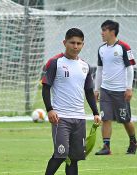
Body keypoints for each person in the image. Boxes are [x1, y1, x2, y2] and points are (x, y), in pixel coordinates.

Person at [41, 28, 101, 175]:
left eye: (79, 43)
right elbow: (46, 87)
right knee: (61, 154)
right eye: (72, 42)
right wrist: (50, 109)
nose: (75, 46)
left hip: (79, 118)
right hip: (60, 118)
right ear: (64, 43)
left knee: (74, 158)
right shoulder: (55, 62)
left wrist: (95, 113)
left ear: (83, 44)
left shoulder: (85, 66)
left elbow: (88, 91)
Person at [94, 20, 137, 155]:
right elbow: (99, 70)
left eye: (104, 30)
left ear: (112, 32)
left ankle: (133, 142)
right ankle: (106, 147)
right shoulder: (101, 49)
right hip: (105, 90)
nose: (101, 33)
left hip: (121, 91)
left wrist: (129, 88)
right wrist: (96, 89)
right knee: (105, 118)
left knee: (125, 120)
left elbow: (130, 68)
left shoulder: (124, 47)